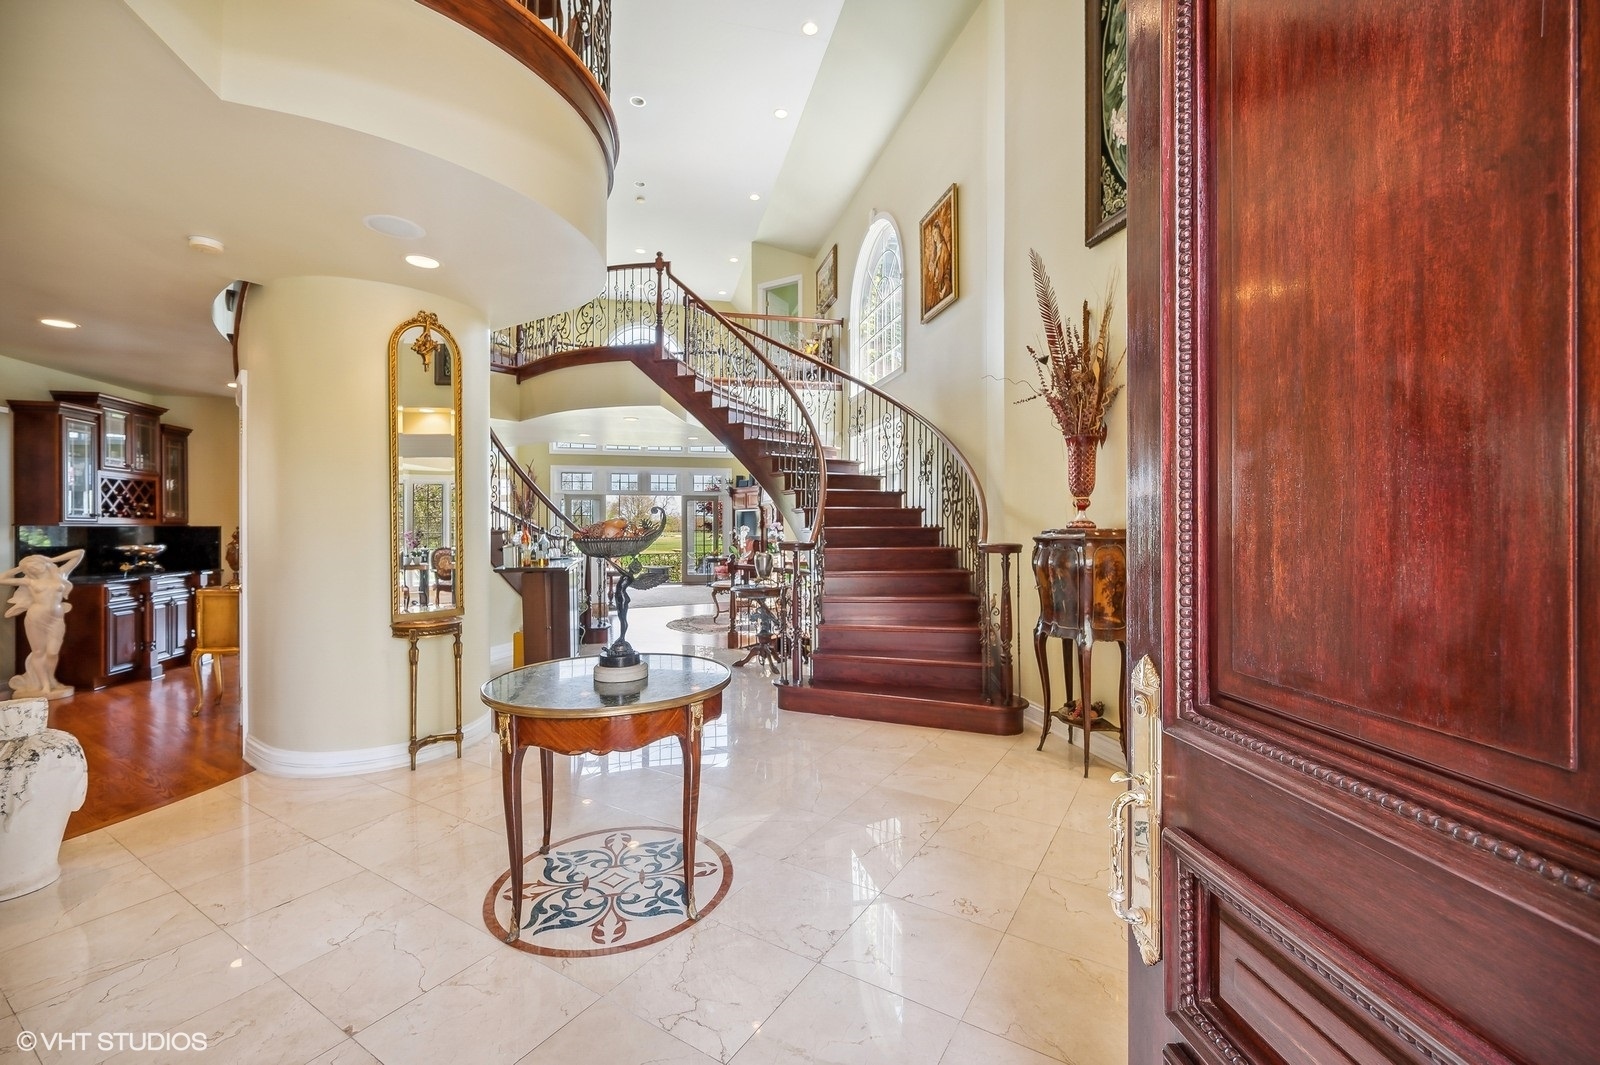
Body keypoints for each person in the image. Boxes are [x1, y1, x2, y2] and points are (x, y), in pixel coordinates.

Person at [2, 548, 86, 699]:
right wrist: (21, 567)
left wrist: (51, 560)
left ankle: (51, 679)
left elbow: (79, 553)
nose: (33, 568)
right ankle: (45, 684)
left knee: (52, 652)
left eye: (35, 564)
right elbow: (2, 579)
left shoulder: (60, 574)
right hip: (35, 618)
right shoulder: (29, 581)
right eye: (30, 568)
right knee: (38, 652)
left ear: (43, 562)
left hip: (56, 619)